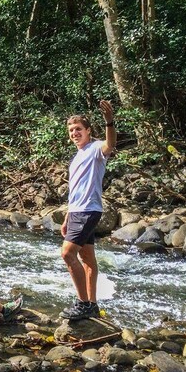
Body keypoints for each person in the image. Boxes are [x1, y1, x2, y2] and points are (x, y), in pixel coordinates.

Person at [59, 100, 116, 320]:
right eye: (71, 130)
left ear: (88, 131)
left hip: (88, 210)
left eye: (78, 129)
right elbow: (75, 190)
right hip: (76, 211)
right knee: (88, 259)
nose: (75, 133)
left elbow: (110, 145)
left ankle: (83, 304)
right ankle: (92, 304)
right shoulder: (76, 158)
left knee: (67, 253)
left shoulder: (95, 149)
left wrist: (109, 122)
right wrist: (67, 216)